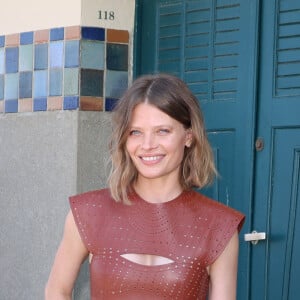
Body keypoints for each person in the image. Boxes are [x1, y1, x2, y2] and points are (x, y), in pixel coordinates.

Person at [45, 74, 245, 300]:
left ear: (188, 136)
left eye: (163, 131)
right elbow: (56, 290)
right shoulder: (88, 212)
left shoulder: (219, 227)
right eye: (135, 132)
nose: (147, 145)